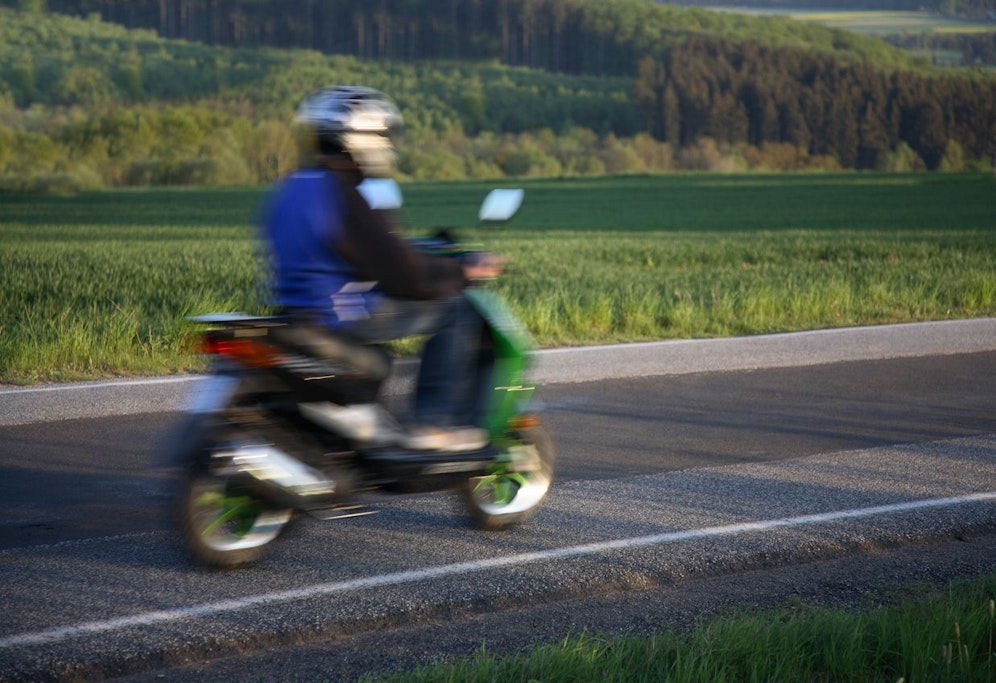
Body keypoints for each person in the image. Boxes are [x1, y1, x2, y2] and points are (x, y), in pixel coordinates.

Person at [260, 86, 503, 451]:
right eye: (382, 135)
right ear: (361, 138)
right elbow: (407, 277)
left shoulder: (292, 186)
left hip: (296, 309)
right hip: (340, 311)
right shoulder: (347, 192)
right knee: (457, 309)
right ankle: (433, 422)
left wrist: (402, 258)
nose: (386, 145)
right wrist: (460, 274)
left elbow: (344, 252)